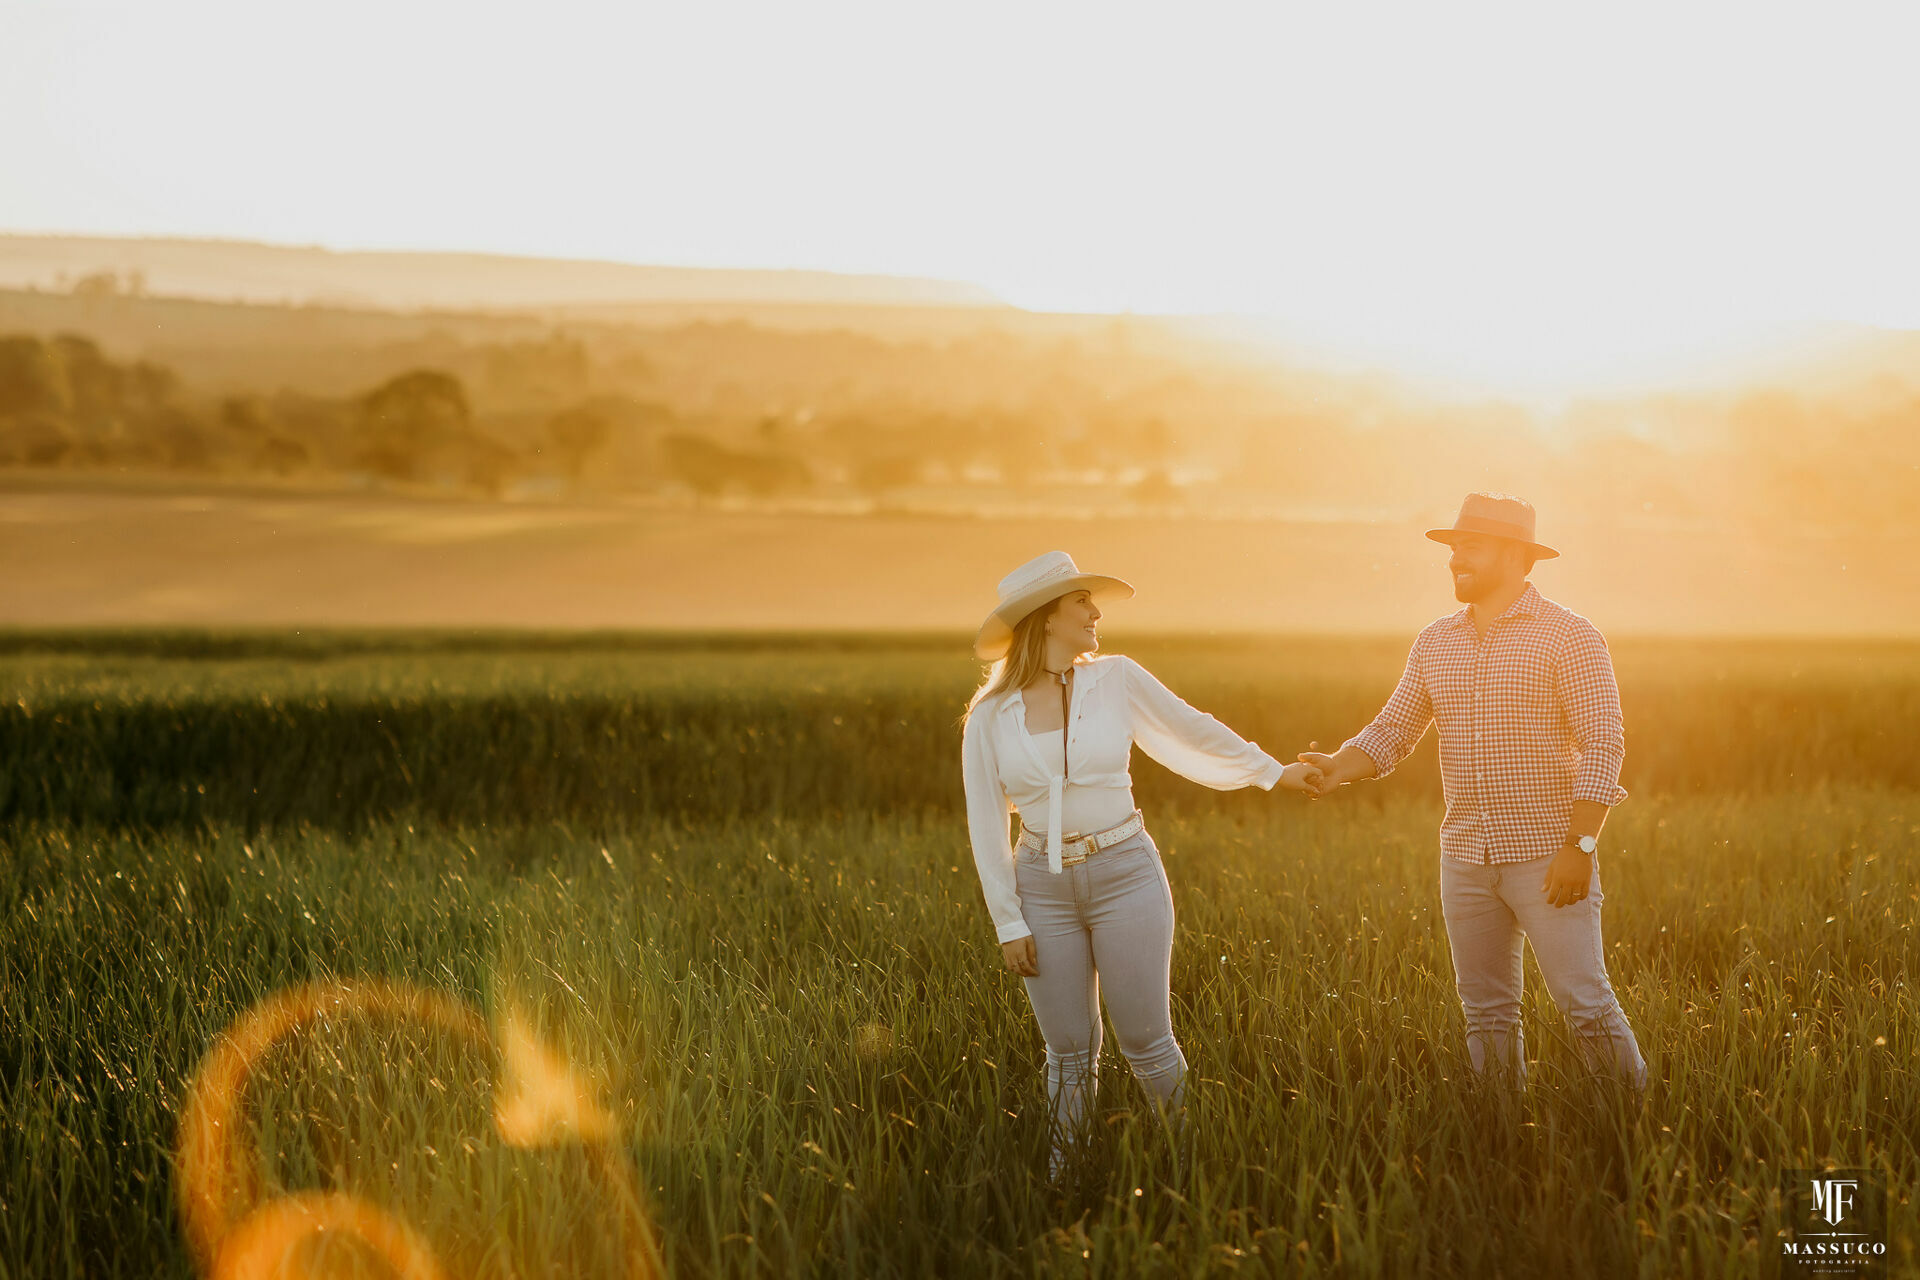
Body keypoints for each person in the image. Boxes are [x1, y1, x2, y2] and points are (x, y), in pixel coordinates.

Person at [959, 550, 1320, 1180]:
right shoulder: (990, 717)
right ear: (1047, 617)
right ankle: (1063, 1183)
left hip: (1126, 872)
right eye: (1081, 602)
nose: (1095, 612)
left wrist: (1273, 773)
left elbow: (1193, 730)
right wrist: (1008, 923)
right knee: (1068, 1055)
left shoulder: (1117, 679)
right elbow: (985, 822)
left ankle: (1194, 1172)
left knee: (1149, 1045)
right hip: (1042, 889)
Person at [1299, 492, 1648, 1091]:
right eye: (1453, 548)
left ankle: (1634, 1126)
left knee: (1585, 1007)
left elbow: (1604, 745)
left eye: (1471, 548)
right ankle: (1498, 1135)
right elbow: (1393, 730)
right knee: (1486, 1016)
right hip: (1464, 860)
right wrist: (1337, 765)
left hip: (1548, 858)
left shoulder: (1571, 636)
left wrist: (1581, 847)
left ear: (1516, 557)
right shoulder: (1436, 642)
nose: (1455, 559)